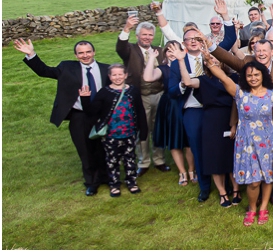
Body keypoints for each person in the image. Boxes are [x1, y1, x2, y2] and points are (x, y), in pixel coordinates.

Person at [16, 38, 111, 196]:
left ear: (94, 52)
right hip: (79, 116)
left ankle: (107, 177)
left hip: (100, 114)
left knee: (103, 148)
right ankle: (91, 182)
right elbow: (44, 71)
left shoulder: (106, 69)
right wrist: (31, 54)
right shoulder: (66, 67)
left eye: (88, 52)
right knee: (85, 150)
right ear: (75, 55)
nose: (85, 55)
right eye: (81, 53)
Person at [205, 56, 273, 226]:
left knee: (268, 177)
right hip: (247, 144)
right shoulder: (239, 93)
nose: (253, 78)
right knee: (254, 180)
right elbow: (223, 77)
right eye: (249, 75)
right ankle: (252, 209)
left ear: (263, 75)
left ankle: (263, 207)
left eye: (256, 74)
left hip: (269, 142)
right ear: (245, 77)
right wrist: (209, 62)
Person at [176, 50, 236, 208]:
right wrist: (181, 60)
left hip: (231, 119)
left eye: (216, 59)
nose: (213, 62)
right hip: (212, 121)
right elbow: (188, 82)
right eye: (209, 60)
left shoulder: (234, 78)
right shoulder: (203, 80)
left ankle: (235, 190)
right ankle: (223, 193)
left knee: (232, 156)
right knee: (215, 157)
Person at [83, 63, 148, 197]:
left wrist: (143, 130)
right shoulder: (105, 92)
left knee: (130, 159)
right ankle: (114, 184)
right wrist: (85, 99)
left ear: (125, 75)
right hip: (111, 134)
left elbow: (140, 110)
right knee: (112, 160)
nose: (117, 77)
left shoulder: (133, 91)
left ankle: (131, 182)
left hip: (129, 132)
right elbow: (92, 111)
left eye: (120, 74)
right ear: (109, 76)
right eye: (114, 75)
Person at [116, 15, 169, 176]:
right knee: (142, 128)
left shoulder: (159, 51)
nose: (147, 38)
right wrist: (126, 28)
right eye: (144, 35)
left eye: (150, 35)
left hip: (159, 94)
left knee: (158, 128)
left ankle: (159, 159)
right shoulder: (130, 50)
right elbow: (120, 47)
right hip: (140, 96)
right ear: (137, 36)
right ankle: (144, 161)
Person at [143, 41, 196, 187]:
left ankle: (192, 170)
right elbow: (147, 78)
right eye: (168, 50)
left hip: (187, 104)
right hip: (171, 106)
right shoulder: (163, 69)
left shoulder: (188, 65)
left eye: (175, 50)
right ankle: (182, 172)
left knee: (189, 140)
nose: (172, 53)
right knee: (175, 141)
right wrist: (153, 58)